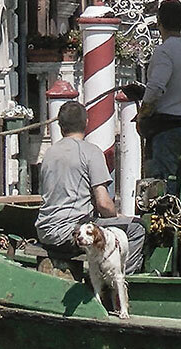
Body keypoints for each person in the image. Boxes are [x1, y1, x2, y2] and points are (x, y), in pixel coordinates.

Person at [36, 101, 144, 273]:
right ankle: (123, 282)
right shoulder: (91, 152)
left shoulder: (49, 154)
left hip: (45, 231)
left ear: (60, 125)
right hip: (70, 233)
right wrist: (117, 215)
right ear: (86, 123)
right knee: (137, 228)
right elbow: (103, 204)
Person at [137, 0, 181, 194]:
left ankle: (163, 224)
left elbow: (156, 87)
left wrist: (142, 114)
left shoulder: (164, 51)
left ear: (159, 22)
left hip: (167, 128)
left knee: (162, 187)